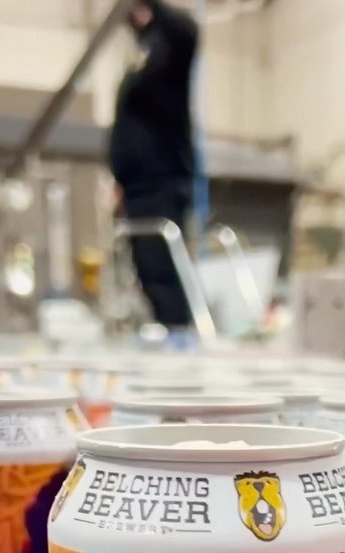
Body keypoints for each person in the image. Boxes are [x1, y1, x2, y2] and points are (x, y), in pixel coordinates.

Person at [109, 0, 199, 329]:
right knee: (146, 272)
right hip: (135, 189)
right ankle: (165, 329)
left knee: (164, 273)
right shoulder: (141, 57)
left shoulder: (171, 49)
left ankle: (178, 334)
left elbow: (186, 32)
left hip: (163, 182)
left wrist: (154, 7)